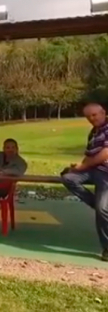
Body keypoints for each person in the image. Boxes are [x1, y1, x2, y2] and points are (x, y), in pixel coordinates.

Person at [60, 102, 108, 261]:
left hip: (106, 174)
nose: (91, 119)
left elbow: (104, 154)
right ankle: (97, 203)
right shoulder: (93, 132)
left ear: (103, 113)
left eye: (94, 115)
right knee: (69, 178)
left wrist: (84, 166)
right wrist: (78, 167)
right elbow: (89, 155)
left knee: (102, 210)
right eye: (88, 117)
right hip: (93, 170)